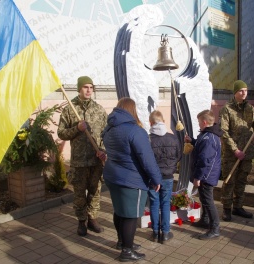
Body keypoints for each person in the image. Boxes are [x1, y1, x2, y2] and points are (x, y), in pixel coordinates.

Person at [101, 97, 162, 262]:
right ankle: (127, 252)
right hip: (131, 180)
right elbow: (147, 158)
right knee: (130, 215)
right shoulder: (135, 131)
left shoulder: (109, 128)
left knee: (120, 211)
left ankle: (122, 242)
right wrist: (157, 179)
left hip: (113, 177)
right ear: (132, 110)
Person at [57, 76, 108, 237]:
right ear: (79, 89)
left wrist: (104, 151)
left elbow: (107, 134)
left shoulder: (99, 110)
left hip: (95, 160)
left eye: (91, 87)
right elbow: (61, 133)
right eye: (85, 87)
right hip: (79, 161)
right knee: (79, 193)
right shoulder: (69, 109)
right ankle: (81, 221)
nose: (88, 90)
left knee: (95, 191)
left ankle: (93, 219)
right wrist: (77, 129)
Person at [218, 80, 254, 222]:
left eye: (246, 90)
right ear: (235, 92)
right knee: (229, 181)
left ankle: (238, 207)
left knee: (241, 180)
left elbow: (252, 124)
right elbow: (223, 131)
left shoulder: (249, 108)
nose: (244, 93)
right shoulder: (227, 109)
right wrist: (234, 150)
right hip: (232, 153)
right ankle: (227, 209)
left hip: (247, 151)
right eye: (241, 90)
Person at [185, 110, 222, 240]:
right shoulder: (207, 135)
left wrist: (198, 177)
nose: (198, 124)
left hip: (206, 175)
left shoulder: (209, 138)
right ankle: (205, 220)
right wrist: (193, 141)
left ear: (204, 122)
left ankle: (215, 228)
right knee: (204, 199)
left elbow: (204, 160)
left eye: (199, 122)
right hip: (207, 174)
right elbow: (202, 149)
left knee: (208, 201)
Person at [148, 110, 181, 244]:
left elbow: (145, 159)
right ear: (164, 122)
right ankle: (166, 233)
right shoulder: (173, 137)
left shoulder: (148, 139)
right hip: (167, 175)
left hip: (152, 177)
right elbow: (178, 155)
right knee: (165, 203)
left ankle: (156, 233)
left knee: (154, 204)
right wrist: (171, 167)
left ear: (151, 123)